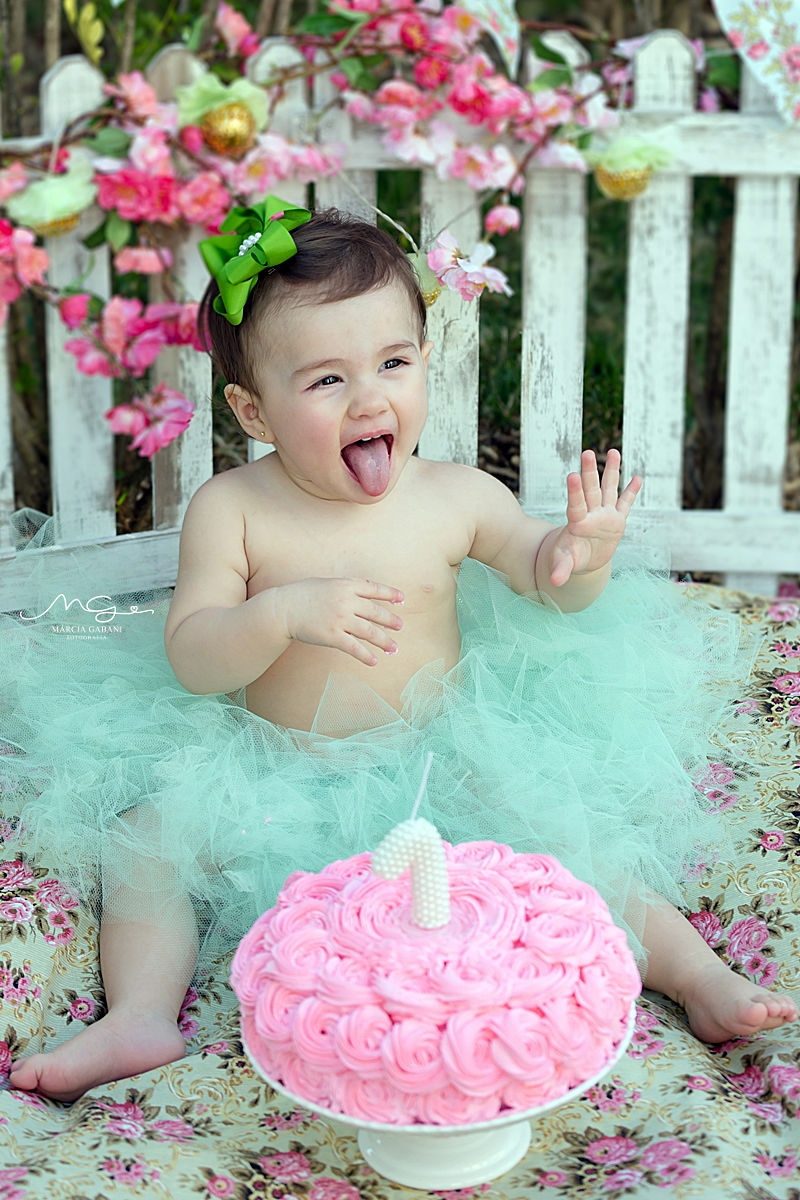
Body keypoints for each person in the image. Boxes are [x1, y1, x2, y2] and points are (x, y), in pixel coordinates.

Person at [6, 198, 796, 1102]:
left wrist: (582, 554)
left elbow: (548, 580)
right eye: (326, 380)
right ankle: (141, 1016)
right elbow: (192, 655)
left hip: (439, 761)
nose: (371, 398)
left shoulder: (456, 496)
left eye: (393, 362)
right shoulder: (234, 510)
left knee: (564, 832)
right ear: (253, 410)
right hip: (271, 770)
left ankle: (698, 978)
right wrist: (277, 616)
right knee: (143, 843)